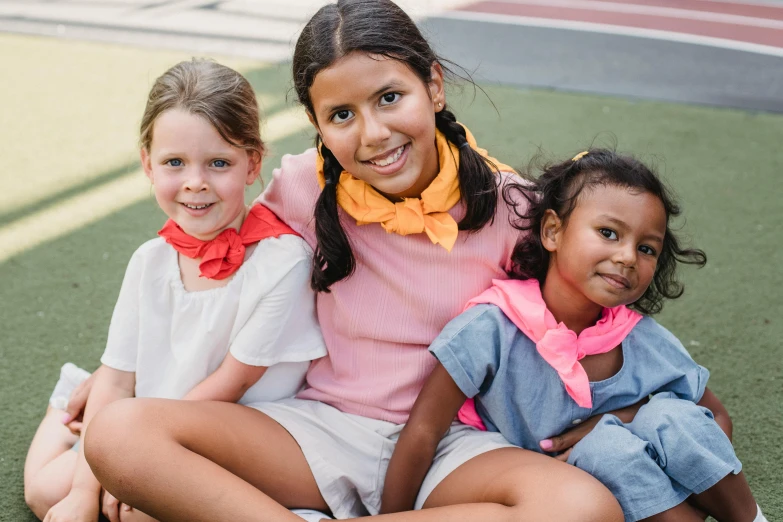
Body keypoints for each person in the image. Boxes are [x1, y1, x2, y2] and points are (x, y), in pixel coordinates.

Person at [80, 2, 626, 520]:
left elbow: (604, 325)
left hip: (453, 444)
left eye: (390, 97)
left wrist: (621, 410)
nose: (373, 133)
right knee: (119, 434)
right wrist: (112, 372)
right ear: (318, 125)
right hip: (315, 429)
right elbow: (218, 258)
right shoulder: (299, 185)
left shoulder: (516, 209)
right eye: (341, 114)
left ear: (433, 86)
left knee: (583, 508)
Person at [381, 149, 767, 522]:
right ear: (552, 230)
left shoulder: (642, 340)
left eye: (647, 248)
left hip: (637, 493)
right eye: (608, 232)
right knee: (606, 450)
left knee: (656, 423)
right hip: (543, 494)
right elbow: (424, 431)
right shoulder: (492, 328)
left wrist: (627, 417)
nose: (628, 257)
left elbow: (713, 416)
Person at [23, 59, 326, 522]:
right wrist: (87, 487)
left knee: (144, 513)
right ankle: (63, 411)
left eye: (218, 162)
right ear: (148, 164)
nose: (195, 182)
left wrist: (134, 454)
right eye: (174, 163)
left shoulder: (282, 263)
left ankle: (103, 441)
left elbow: (232, 383)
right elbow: (119, 377)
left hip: (232, 434)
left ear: (253, 164)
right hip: (146, 418)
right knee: (48, 494)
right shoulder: (151, 260)